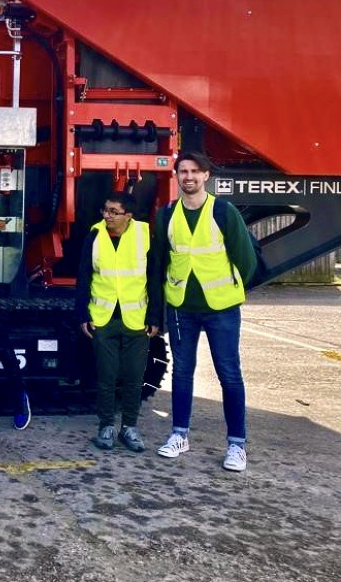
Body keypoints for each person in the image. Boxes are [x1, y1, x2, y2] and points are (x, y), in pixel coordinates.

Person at [154, 151, 256, 472]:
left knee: (229, 374)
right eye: (183, 171)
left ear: (206, 176)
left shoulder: (224, 212)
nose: (189, 177)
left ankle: (237, 445)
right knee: (182, 373)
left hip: (221, 310)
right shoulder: (166, 214)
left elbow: (247, 259)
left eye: (195, 171)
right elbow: (159, 263)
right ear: (176, 176)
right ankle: (179, 435)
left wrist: (231, 290)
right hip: (182, 308)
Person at [75, 192, 161, 452]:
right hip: (103, 318)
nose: (107, 216)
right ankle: (106, 427)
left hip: (136, 320)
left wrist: (155, 317)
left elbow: (155, 279)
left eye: (113, 212)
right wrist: (82, 315)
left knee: (135, 378)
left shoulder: (145, 235)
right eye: (105, 210)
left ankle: (130, 427)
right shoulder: (95, 235)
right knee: (107, 377)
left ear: (128, 215)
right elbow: (84, 277)